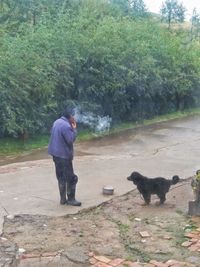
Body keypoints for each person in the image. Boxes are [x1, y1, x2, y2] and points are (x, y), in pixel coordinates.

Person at [48, 107, 81, 206]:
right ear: (70, 116)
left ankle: (63, 199)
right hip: (63, 156)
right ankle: (71, 200)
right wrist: (74, 130)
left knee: (61, 177)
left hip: (55, 154)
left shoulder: (57, 122)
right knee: (72, 178)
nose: (75, 118)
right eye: (74, 116)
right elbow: (70, 140)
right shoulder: (66, 126)